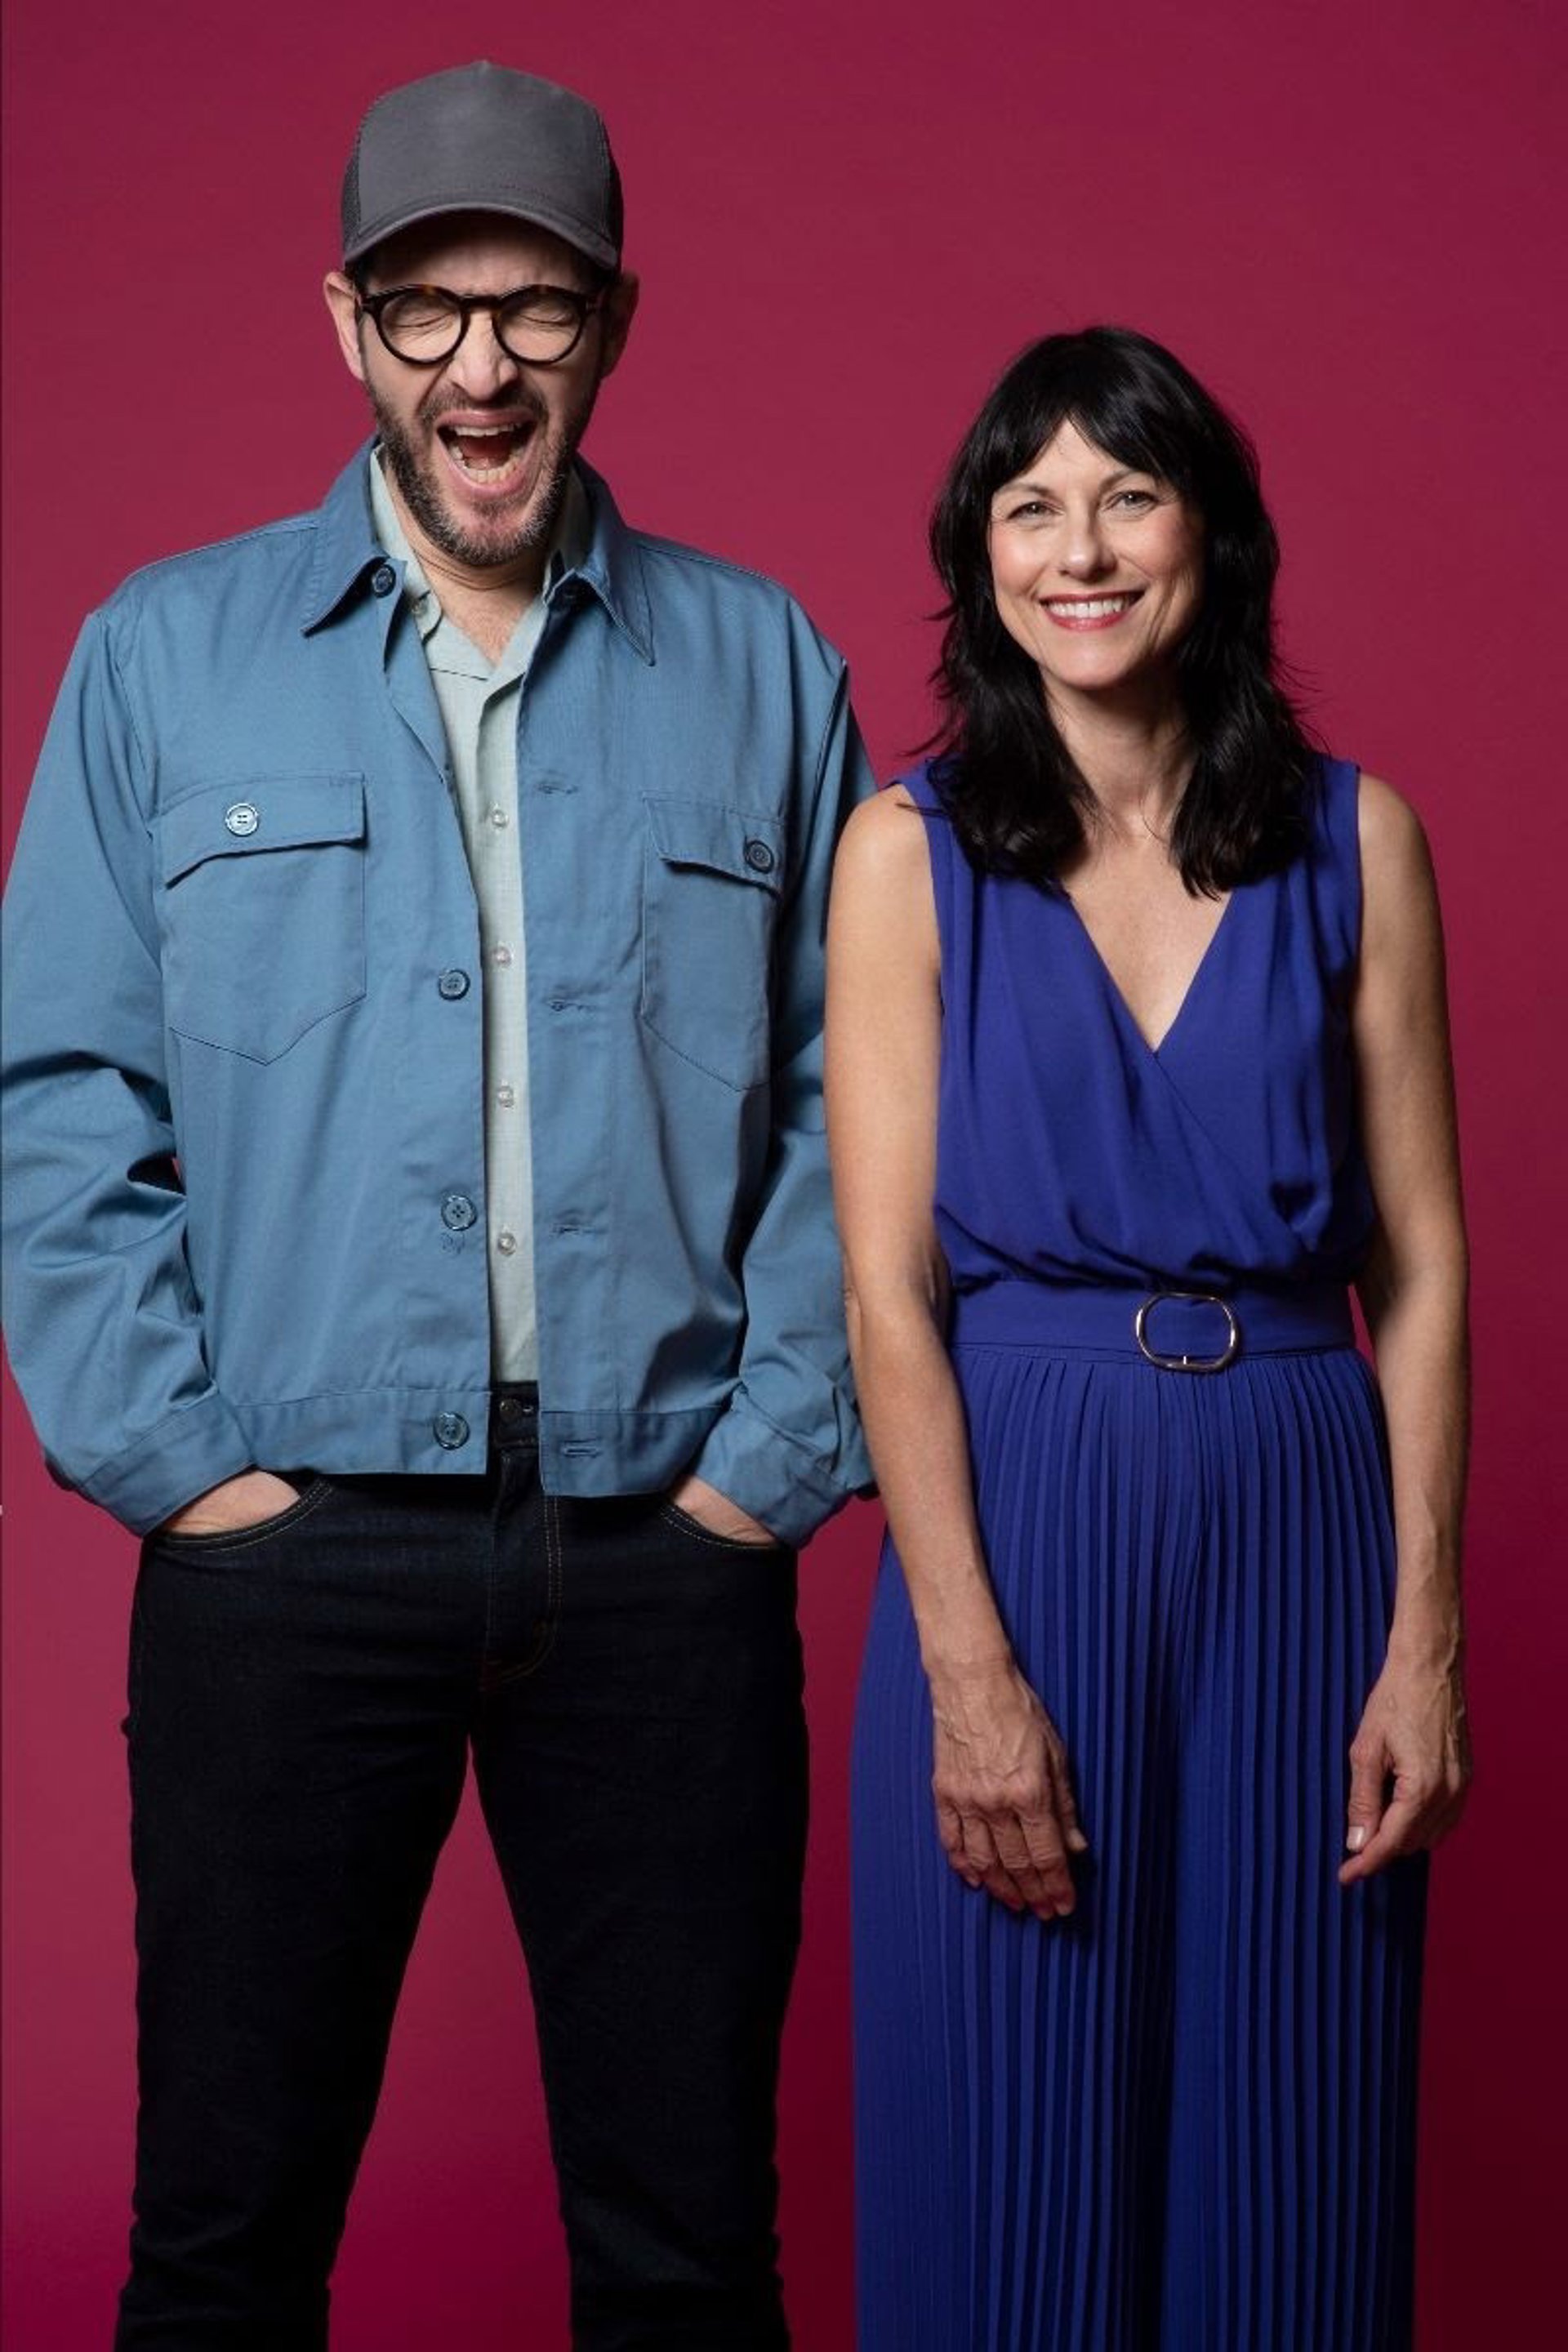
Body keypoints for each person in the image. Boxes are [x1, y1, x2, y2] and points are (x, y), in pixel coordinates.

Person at [2, 60, 872, 2349]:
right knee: (221, 2250)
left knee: (691, 2259)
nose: (480, 364)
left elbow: (863, 1106)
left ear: (615, 321)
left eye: (536, 304)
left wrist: (770, 1468)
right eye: (426, 307)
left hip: (662, 1554)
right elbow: (62, 1094)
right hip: (286, 1563)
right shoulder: (159, 660)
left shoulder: (767, 669)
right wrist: (183, 1470)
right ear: (348, 324)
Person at [826, 325, 1471, 2350]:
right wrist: (967, 1675)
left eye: (1128, 495)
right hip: (1019, 1524)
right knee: (1004, 2186)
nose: (1080, 551)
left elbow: (1424, 1266)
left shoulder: (1359, 841)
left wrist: (1425, 1638)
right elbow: (886, 1296)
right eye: (1031, 509)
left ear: (1215, 534)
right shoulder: (906, 855)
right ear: (981, 558)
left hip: (1306, 1525)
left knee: (1297, 2175)